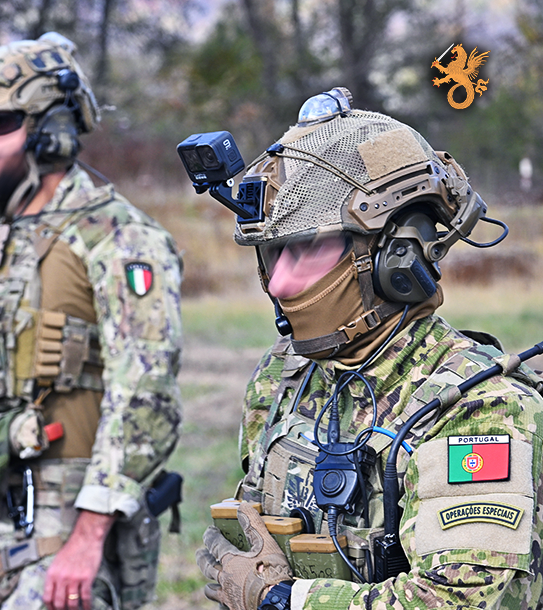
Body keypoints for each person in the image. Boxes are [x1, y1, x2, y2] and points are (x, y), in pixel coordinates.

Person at [192, 88, 543, 610]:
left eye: (308, 248)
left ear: (397, 257)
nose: (280, 282)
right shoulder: (284, 375)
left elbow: (462, 601)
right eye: (274, 252)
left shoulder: (482, 410)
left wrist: (281, 600)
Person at [0, 33, 184, 610]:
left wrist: (88, 537)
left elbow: (146, 392)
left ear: (52, 130)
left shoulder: (119, 237)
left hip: (66, 523)